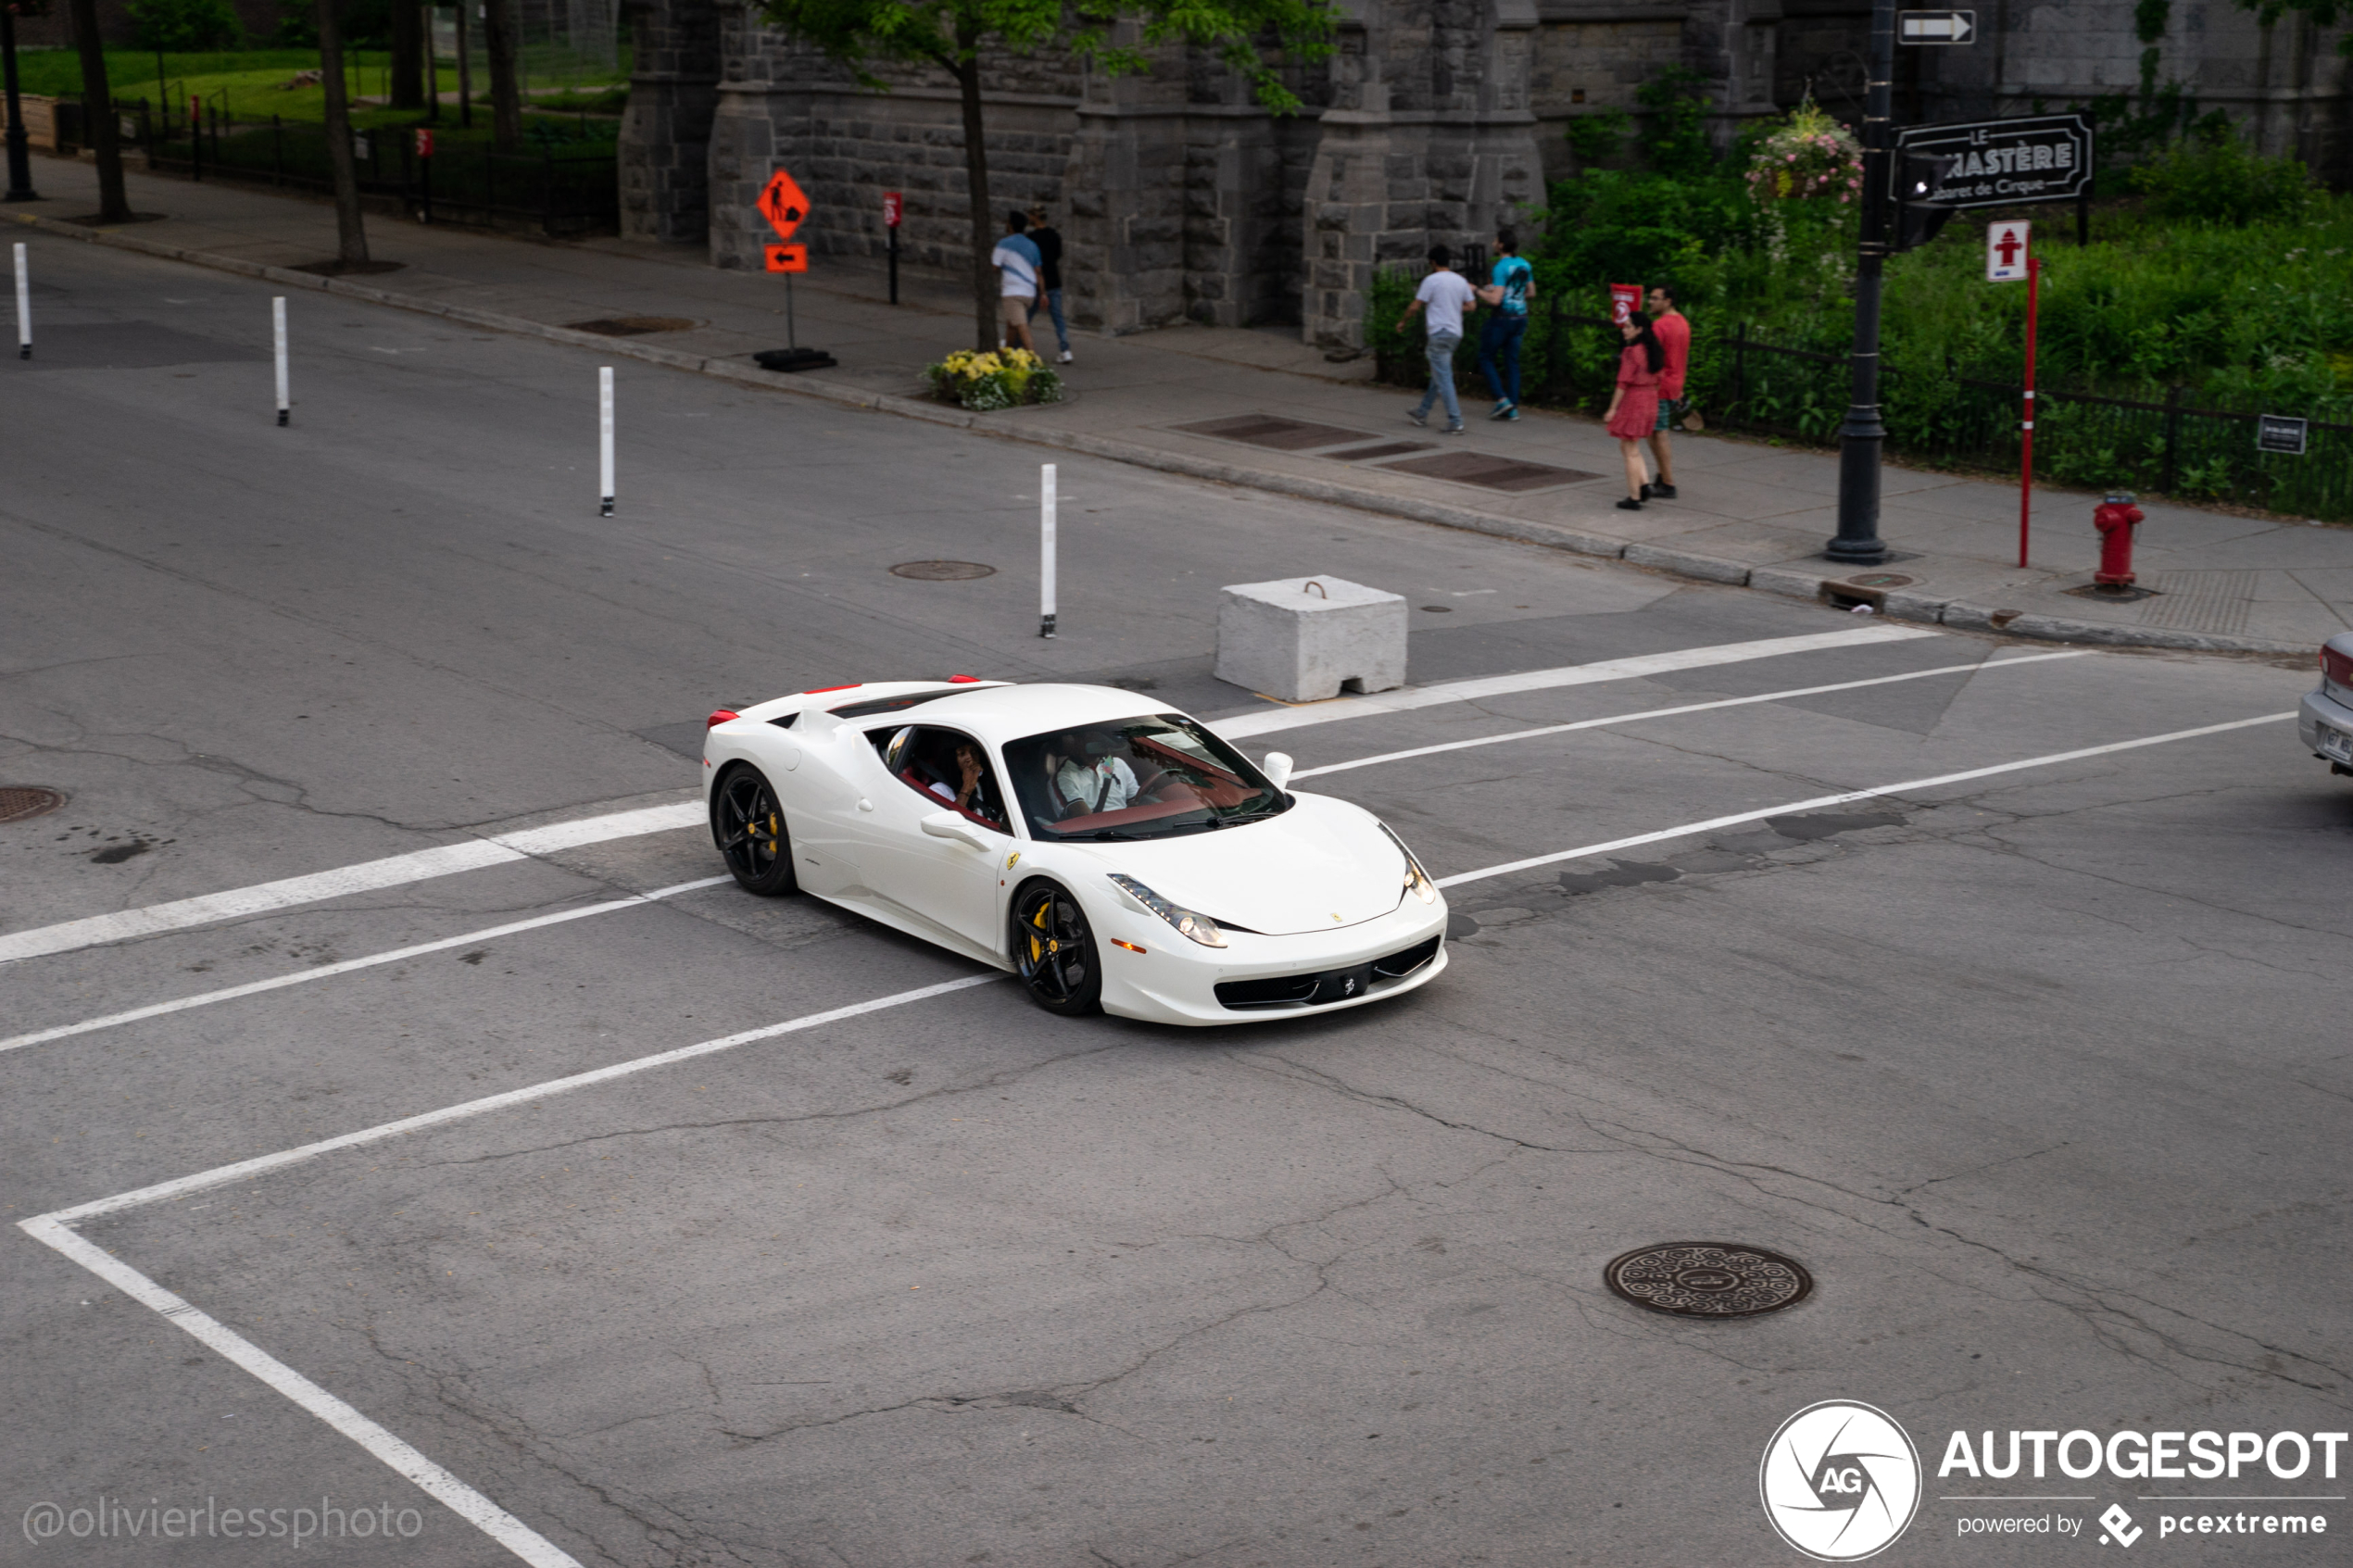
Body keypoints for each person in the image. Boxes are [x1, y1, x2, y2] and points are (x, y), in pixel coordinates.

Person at [1396, 245, 1478, 435]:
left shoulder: (1431, 281)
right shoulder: (1460, 280)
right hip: (1455, 333)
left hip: (1438, 332)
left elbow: (1415, 306)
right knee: (1438, 374)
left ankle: (1456, 421)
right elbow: (1472, 306)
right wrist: (1453, 308)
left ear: (1433, 262)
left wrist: (1403, 321)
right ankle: (1422, 412)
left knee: (1444, 377)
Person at [1604, 310, 1665, 509]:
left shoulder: (1632, 352)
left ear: (1639, 329)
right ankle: (1644, 484)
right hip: (1650, 400)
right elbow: (1659, 379)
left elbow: (1622, 383)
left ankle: (1634, 496)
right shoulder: (1653, 350)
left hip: (1635, 400)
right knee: (1630, 445)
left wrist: (1612, 408)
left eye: (1629, 326)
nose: (1624, 330)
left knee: (1629, 449)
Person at [1476, 230, 1535, 420]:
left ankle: (1501, 400)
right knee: (1512, 362)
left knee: (1485, 357)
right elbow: (1531, 292)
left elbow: (1495, 300)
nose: (1493, 243)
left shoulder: (1500, 267)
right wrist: (1515, 297)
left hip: (1502, 318)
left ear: (1501, 245)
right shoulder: (1525, 264)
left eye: (1495, 240)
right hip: (1521, 317)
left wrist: (1476, 290)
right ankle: (1513, 407)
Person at [1644, 282, 1690, 498]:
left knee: (1658, 433)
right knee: (1657, 431)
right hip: (1675, 383)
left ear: (1667, 301)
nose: (1650, 302)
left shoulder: (1660, 326)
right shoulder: (1682, 323)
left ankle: (1667, 482)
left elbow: (1653, 359)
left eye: (1655, 298)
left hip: (1660, 386)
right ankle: (1663, 475)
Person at [989, 211, 1043, 357]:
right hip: (1030, 293)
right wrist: (1043, 293)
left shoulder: (1003, 244)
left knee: (1022, 327)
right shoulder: (1032, 245)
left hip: (1013, 292)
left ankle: (1034, 361)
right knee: (1011, 325)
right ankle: (1007, 353)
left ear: (1010, 226)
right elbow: (1038, 271)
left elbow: (994, 267)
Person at [1026, 203, 1072, 364]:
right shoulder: (1054, 235)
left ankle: (1017, 346)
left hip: (1036, 282)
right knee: (1058, 318)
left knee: (1026, 317)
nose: (1029, 218)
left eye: (1030, 214)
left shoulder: (1031, 238)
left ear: (1035, 217)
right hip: (1053, 280)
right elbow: (1058, 255)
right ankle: (1065, 350)